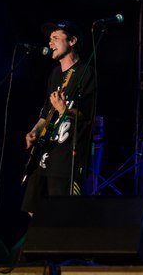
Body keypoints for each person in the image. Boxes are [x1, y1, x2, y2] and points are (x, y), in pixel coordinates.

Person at [21, 21, 96, 215]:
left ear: (72, 41)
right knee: (32, 209)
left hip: (67, 157)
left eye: (55, 37)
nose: (50, 42)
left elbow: (87, 114)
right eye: (50, 39)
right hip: (45, 153)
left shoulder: (86, 73)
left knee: (64, 214)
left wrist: (64, 110)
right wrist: (34, 131)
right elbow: (46, 113)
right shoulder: (55, 74)